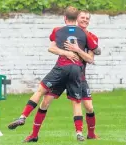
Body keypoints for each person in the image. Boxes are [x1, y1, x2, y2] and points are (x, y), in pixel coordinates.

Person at [8, 7, 97, 142]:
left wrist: (77, 50)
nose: (85, 20)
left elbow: (91, 58)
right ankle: (34, 134)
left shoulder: (89, 36)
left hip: (79, 76)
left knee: (89, 107)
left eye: (87, 18)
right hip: (70, 73)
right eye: (82, 17)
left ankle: (90, 133)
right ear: (77, 19)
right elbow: (51, 47)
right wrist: (66, 52)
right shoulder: (69, 32)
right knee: (45, 103)